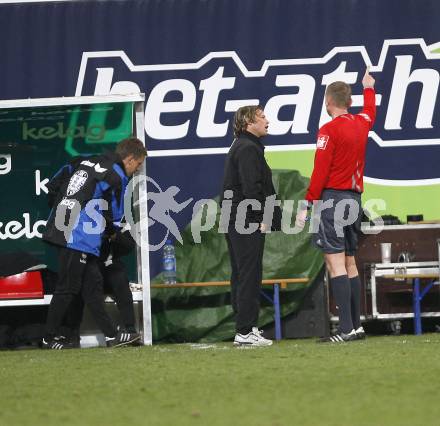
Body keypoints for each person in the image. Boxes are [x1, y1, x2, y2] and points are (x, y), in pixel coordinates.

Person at [42, 137, 147, 349]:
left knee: (92, 286)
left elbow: (54, 182)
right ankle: (48, 338)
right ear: (129, 159)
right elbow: (116, 216)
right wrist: (112, 233)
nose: (137, 169)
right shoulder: (117, 176)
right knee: (67, 288)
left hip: (64, 228)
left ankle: (112, 336)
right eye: (138, 164)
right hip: (76, 236)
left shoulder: (86, 160)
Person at [296, 68, 376, 343]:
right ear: (349, 102)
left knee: (335, 263)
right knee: (351, 263)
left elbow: (321, 170)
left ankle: (345, 329)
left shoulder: (328, 130)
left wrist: (308, 203)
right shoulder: (361, 123)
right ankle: (356, 326)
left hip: (332, 200)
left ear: (328, 102)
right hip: (354, 200)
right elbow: (370, 113)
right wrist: (369, 87)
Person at [221, 105, 281, 347]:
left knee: (242, 274)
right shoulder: (247, 148)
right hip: (245, 220)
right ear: (248, 123)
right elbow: (251, 187)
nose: (267, 120)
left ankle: (246, 329)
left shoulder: (244, 146)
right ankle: (245, 331)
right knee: (249, 275)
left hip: (236, 218)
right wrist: (261, 218)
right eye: (262, 117)